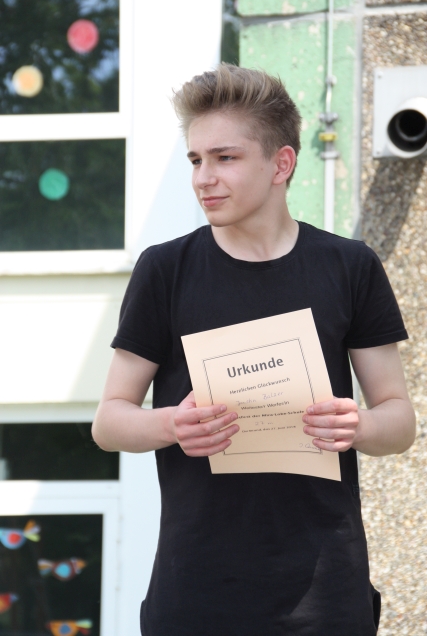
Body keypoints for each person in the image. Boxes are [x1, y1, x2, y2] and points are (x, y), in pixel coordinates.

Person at [92, 64, 416, 635]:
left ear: (281, 164)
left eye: (225, 158)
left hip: (327, 598)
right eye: (196, 160)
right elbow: (109, 422)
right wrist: (171, 425)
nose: (204, 178)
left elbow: (400, 422)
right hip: (196, 598)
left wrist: (359, 425)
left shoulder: (350, 266)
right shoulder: (165, 270)